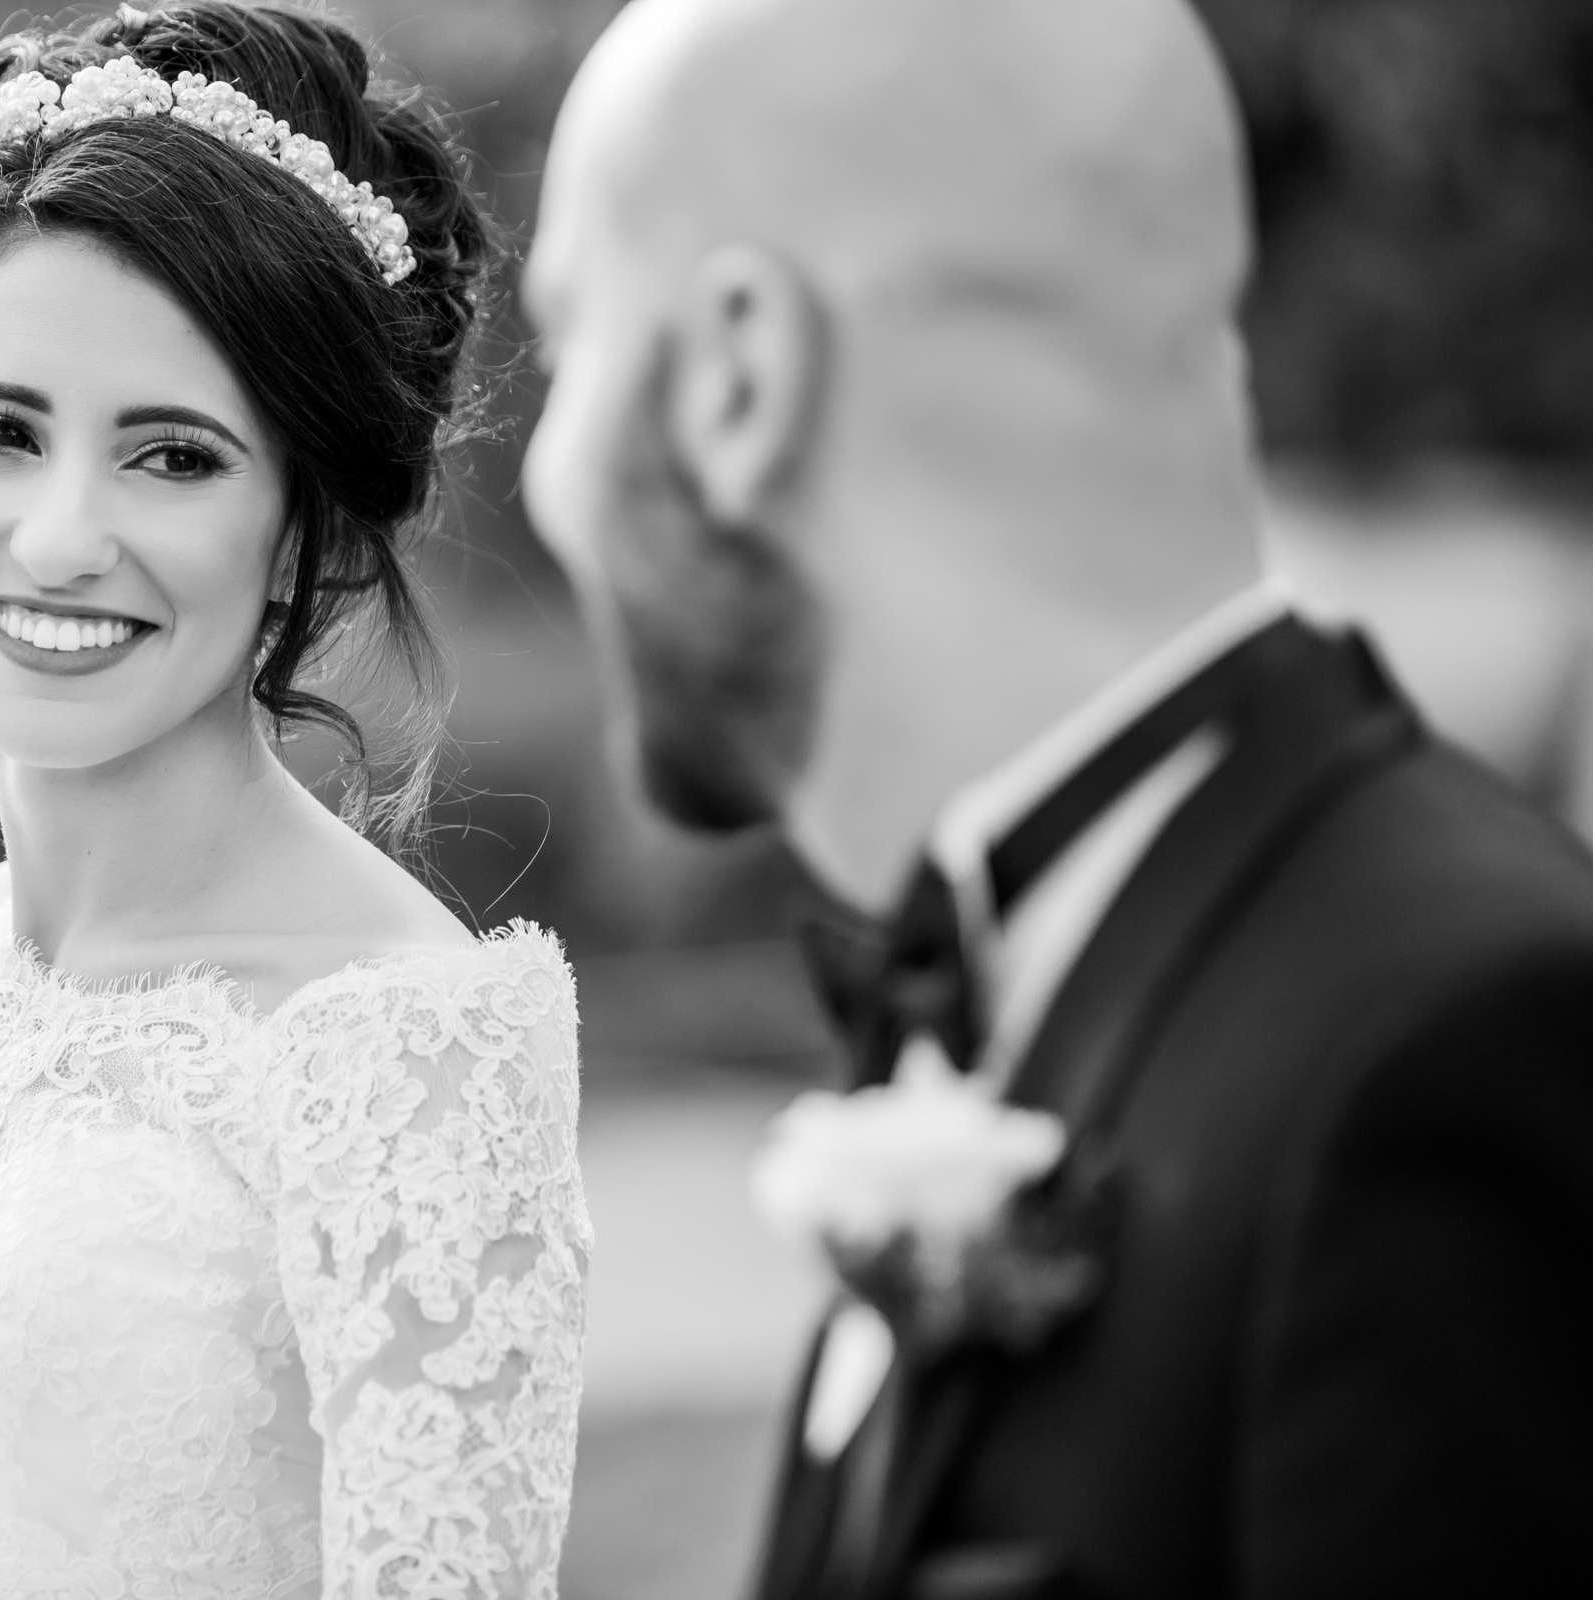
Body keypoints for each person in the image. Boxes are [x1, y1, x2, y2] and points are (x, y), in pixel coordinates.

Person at [522, 0, 1593, 1596]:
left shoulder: (1454, 1048)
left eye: (565, 344)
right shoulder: (1015, 978)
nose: (545, 471)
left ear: (739, 377)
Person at [0, 6, 591, 1597]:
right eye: (1, 431)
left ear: (299, 525)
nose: (60, 538)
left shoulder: (406, 1046)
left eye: (174, 459)